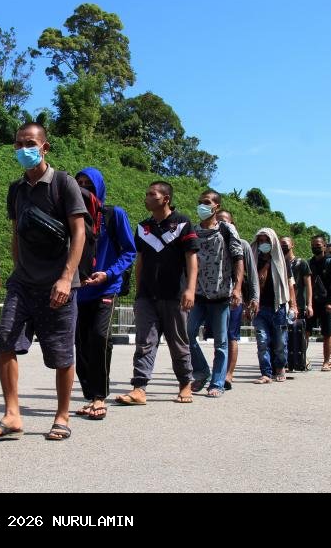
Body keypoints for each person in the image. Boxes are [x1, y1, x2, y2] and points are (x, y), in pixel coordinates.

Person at [0, 123, 85, 442]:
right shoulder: (16, 190)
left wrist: (66, 278)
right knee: (6, 342)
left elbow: (79, 232)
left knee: (62, 354)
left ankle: (62, 416)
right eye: (18, 144)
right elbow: (16, 233)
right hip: (23, 283)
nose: (23, 148)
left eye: (30, 143)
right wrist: (15, 269)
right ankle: (12, 415)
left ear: (44, 147)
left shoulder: (64, 183)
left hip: (58, 285)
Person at [114, 181, 198, 405]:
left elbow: (192, 259)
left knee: (178, 342)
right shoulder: (143, 227)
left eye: (152, 195)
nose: (147, 198)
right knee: (145, 342)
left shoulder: (183, 224)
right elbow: (140, 260)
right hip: (147, 296)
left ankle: (185, 384)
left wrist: (190, 289)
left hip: (175, 295)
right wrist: (138, 291)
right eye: (147, 194)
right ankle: (139, 388)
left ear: (166, 199)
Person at [73, 168, 136, 420]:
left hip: (106, 287)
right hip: (79, 290)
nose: (83, 188)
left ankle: (100, 397)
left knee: (100, 337)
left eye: (89, 183)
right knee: (81, 344)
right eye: (79, 183)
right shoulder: (72, 216)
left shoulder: (114, 215)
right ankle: (90, 396)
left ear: (99, 187)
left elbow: (129, 252)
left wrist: (109, 274)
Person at [187, 189, 244, 398]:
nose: (202, 205)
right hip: (198, 294)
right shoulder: (192, 230)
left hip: (221, 295)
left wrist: (237, 288)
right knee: (187, 334)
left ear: (216, 206)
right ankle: (201, 371)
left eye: (207, 202)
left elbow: (239, 258)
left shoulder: (226, 230)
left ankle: (217, 383)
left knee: (221, 342)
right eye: (200, 201)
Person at [216, 210, 258, 390]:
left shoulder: (243, 244)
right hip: (212, 296)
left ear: (233, 225)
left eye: (225, 222)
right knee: (218, 337)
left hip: (233, 297)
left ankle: (228, 375)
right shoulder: (207, 242)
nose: (222, 225)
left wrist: (254, 297)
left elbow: (252, 273)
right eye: (218, 221)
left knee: (231, 336)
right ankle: (215, 372)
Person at [251, 228, 297, 383]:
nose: (263, 244)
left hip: (278, 307)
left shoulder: (281, 261)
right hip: (259, 307)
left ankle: (280, 368)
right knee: (262, 341)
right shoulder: (253, 259)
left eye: (266, 241)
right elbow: (249, 282)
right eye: (261, 241)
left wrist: (293, 305)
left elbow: (290, 285)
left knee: (280, 341)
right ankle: (266, 372)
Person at [307, 236, 331, 371]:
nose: (316, 247)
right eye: (313, 245)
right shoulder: (310, 262)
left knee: (327, 334)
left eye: (318, 245)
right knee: (306, 331)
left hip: (326, 304)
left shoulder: (330, 262)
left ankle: (326, 362)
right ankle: (302, 358)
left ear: (324, 246)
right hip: (312, 302)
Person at [281, 236, 313, 370]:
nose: (283, 246)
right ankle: (287, 360)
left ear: (292, 244)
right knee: (285, 333)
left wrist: (309, 304)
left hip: (298, 304)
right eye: (281, 244)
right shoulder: (279, 262)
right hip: (283, 304)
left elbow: (308, 285)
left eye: (285, 244)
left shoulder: (301, 263)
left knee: (299, 333)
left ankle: (301, 359)